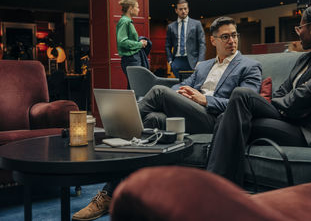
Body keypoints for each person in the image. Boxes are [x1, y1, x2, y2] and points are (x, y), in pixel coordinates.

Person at [72, 16, 262, 221]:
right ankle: (111, 193)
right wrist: (181, 94)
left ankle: (113, 128)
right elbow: (178, 87)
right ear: (214, 40)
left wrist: (206, 100)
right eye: (225, 36)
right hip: (190, 114)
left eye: (234, 35)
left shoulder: (249, 66)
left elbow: (243, 104)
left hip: (215, 120)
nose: (231, 41)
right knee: (152, 118)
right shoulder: (204, 67)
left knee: (159, 93)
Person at [207, 2, 311, 185]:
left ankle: (214, 184)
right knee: (225, 116)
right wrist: (280, 105)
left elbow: (304, 96)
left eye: (300, 28)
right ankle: (223, 185)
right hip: (289, 120)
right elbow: (283, 91)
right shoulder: (306, 59)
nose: (298, 33)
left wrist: (275, 107)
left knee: (242, 95)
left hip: (308, 130)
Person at [165, 0, 206, 78]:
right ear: (176, 10)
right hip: (177, 61)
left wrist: (200, 61)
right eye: (180, 9)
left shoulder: (197, 24)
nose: (183, 11)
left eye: (185, 8)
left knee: (192, 86)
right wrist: (170, 61)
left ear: (188, 9)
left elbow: (202, 44)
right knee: (180, 86)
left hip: (193, 61)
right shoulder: (171, 27)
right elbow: (167, 45)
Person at [117, 0, 151, 89]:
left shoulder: (127, 21)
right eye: (137, 7)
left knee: (134, 86)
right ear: (130, 8)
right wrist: (140, 44)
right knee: (136, 87)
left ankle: (131, 104)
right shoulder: (124, 21)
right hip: (131, 59)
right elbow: (122, 42)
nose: (138, 9)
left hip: (133, 58)